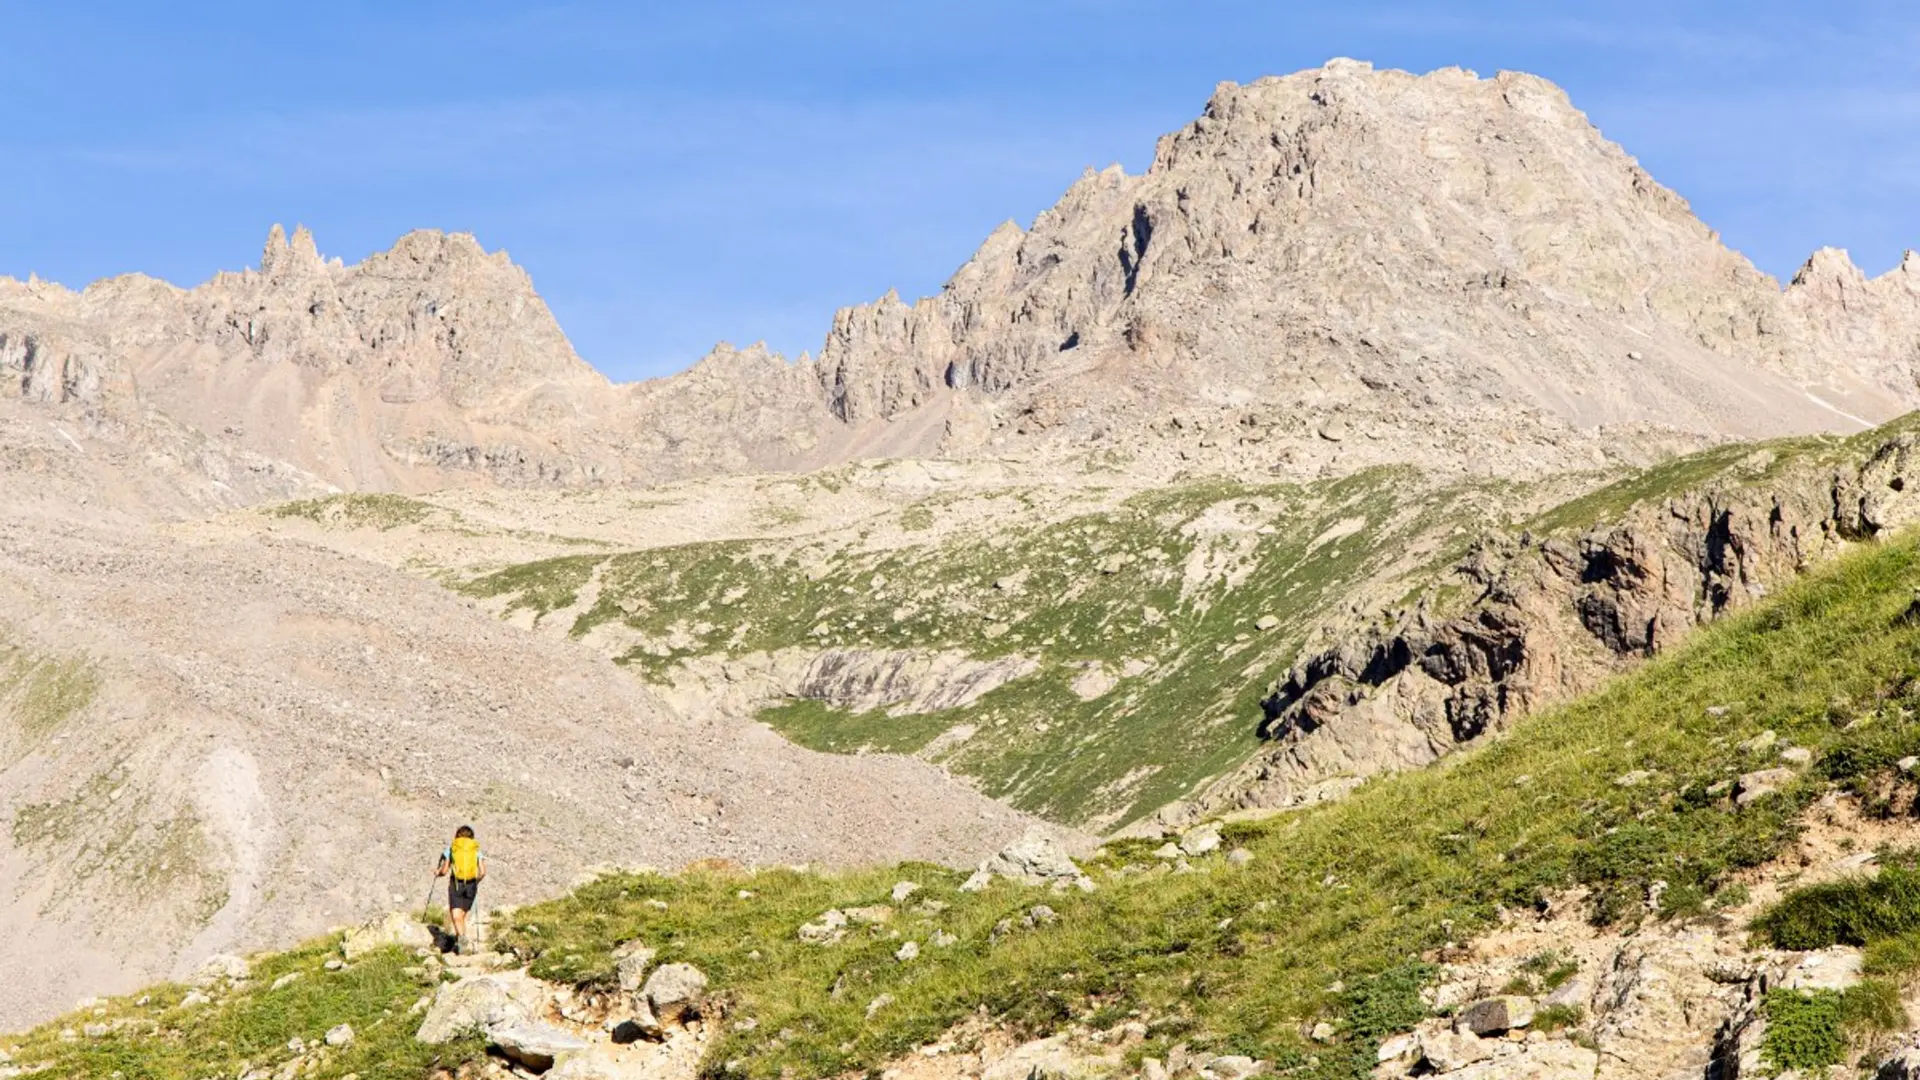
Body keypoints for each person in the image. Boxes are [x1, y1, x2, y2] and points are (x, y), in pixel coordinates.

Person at [434, 825, 486, 953]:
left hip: (456, 884)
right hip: (471, 885)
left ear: (457, 835)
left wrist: (437, 873)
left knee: (456, 917)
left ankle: (461, 940)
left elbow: (445, 871)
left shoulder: (452, 849)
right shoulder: (475, 850)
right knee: (462, 916)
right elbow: (483, 872)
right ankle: (461, 945)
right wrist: (475, 881)